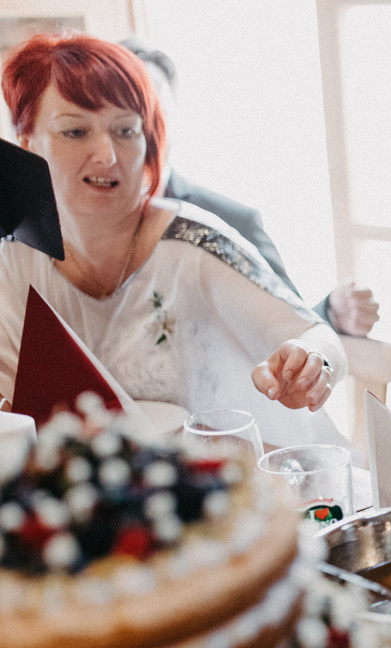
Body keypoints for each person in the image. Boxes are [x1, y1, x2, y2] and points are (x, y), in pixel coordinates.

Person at [0, 32, 348, 448]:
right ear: (26, 143)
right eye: (75, 132)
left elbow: (320, 336)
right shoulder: (15, 260)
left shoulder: (192, 243)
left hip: (254, 486)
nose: (107, 156)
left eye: (125, 131)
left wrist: (310, 363)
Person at [120, 37, 379, 337]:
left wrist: (332, 312)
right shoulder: (74, 223)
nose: (140, 128)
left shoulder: (232, 220)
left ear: (174, 117)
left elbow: (295, 325)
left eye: (153, 110)